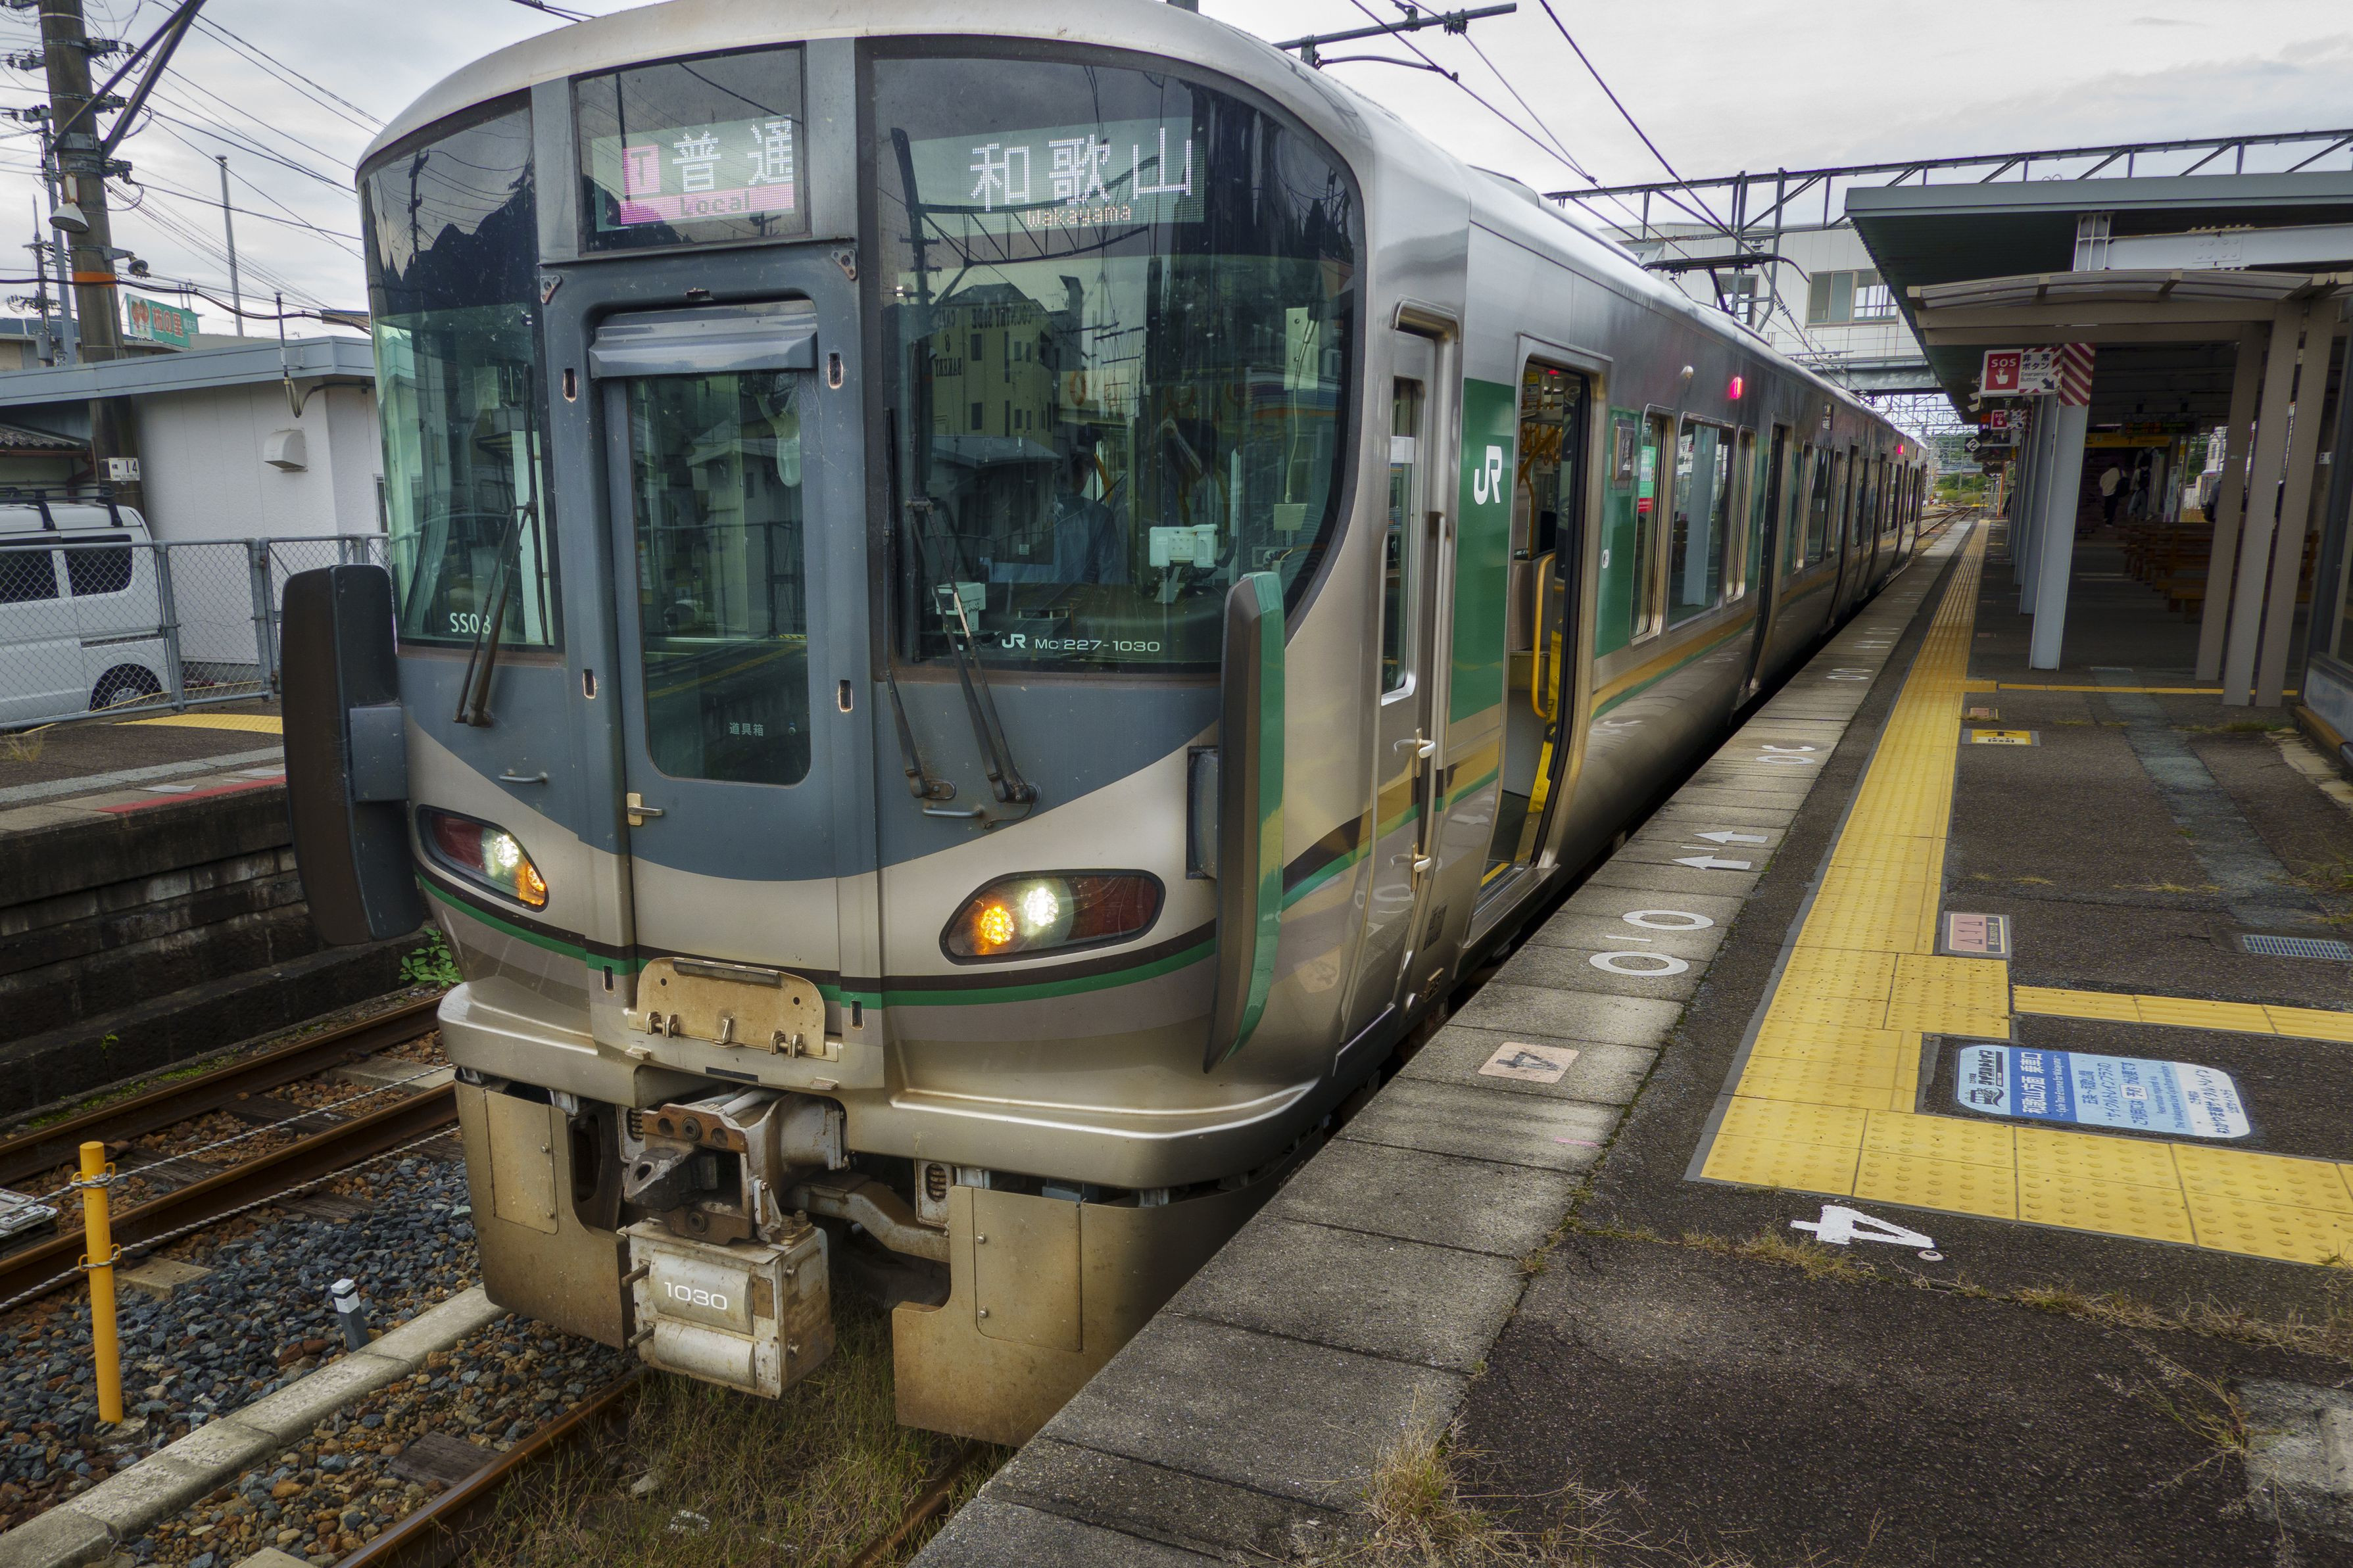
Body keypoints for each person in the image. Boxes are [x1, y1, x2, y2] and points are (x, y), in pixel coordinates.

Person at [2098, 462, 2123, 528]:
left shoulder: (2105, 474)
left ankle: (2106, 517)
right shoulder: (2121, 472)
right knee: (2112, 507)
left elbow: (2101, 485)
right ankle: (2109, 522)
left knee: (2107, 505)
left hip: (2106, 493)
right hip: (2115, 493)